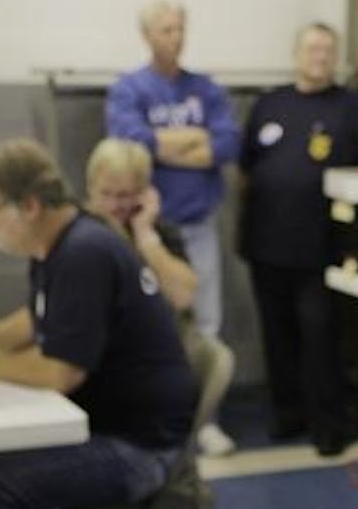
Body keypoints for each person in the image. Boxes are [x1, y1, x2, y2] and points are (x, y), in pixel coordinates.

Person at [0, 138, 197, 509]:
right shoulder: (56, 244)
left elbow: (59, 373)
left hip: (139, 444)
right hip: (107, 424)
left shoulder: (84, 252)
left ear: (29, 206)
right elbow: (38, 317)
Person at [107, 0, 241, 456]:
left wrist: (165, 144)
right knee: (150, 325)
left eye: (180, 28)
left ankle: (206, 420)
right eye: (166, 30)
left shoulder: (204, 89)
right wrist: (189, 141)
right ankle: (154, 420)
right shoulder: (130, 88)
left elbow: (224, 145)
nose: (176, 37)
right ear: (147, 35)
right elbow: (129, 141)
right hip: (147, 228)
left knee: (206, 322)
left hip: (198, 223)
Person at [238, 23, 358, 456]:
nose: (319, 56)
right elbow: (247, 167)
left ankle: (328, 423)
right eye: (312, 48)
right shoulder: (269, 104)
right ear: (296, 53)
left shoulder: (350, 108)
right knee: (277, 338)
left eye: (327, 49)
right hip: (267, 245)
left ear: (334, 57)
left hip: (323, 250)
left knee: (322, 340)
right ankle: (288, 413)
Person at [85, 136, 235, 470]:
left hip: (143, 381)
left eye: (125, 195)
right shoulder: (82, 236)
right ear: (91, 188)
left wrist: (143, 235)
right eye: (105, 194)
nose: (114, 205)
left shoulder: (157, 233)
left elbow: (183, 294)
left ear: (143, 192)